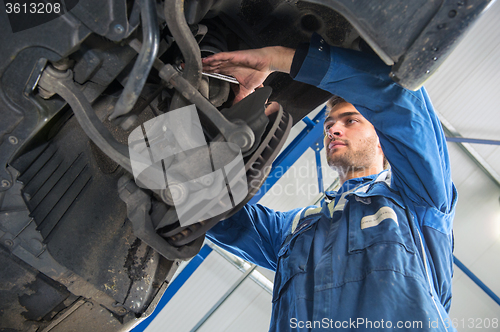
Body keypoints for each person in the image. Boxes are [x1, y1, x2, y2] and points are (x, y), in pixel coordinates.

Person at [202, 34, 457, 331]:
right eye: (329, 124)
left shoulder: (417, 200)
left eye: (351, 120)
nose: (334, 129)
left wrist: (275, 59)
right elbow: (212, 210)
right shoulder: (294, 228)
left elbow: (399, 101)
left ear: (382, 140)